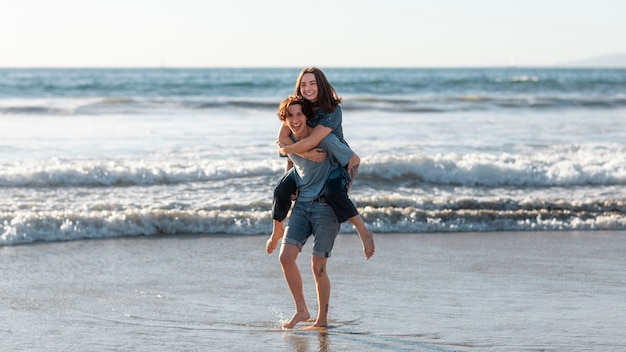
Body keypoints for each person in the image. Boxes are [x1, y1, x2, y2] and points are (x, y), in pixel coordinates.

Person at [266, 96, 360, 329]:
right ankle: (302, 310)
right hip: (301, 207)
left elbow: (353, 160)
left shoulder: (324, 138)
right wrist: (297, 168)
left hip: (325, 207)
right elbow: (290, 158)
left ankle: (322, 320)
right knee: (285, 258)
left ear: (308, 115)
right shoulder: (288, 140)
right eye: (290, 116)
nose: (295, 120)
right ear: (284, 120)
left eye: (300, 115)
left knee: (318, 266)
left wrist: (343, 187)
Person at [270, 67, 374, 260]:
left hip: (334, 161)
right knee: (281, 190)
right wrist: (293, 169)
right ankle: (277, 230)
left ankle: (363, 231)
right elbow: (283, 137)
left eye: (312, 83)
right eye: (303, 84)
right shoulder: (298, 109)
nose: (307, 88)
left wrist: (288, 149)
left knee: (333, 192)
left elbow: (304, 143)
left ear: (321, 85)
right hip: (306, 164)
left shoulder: (331, 110)